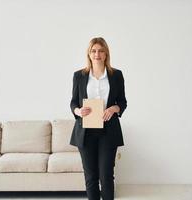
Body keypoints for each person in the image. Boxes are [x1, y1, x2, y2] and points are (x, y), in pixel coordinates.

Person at [70, 37, 127, 200]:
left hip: (109, 132)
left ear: (106, 54)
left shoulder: (116, 75)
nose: (97, 54)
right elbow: (73, 101)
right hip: (85, 132)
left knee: (106, 176)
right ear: (89, 54)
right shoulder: (79, 76)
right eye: (93, 51)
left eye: (101, 50)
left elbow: (122, 101)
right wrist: (78, 111)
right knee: (91, 177)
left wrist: (114, 108)